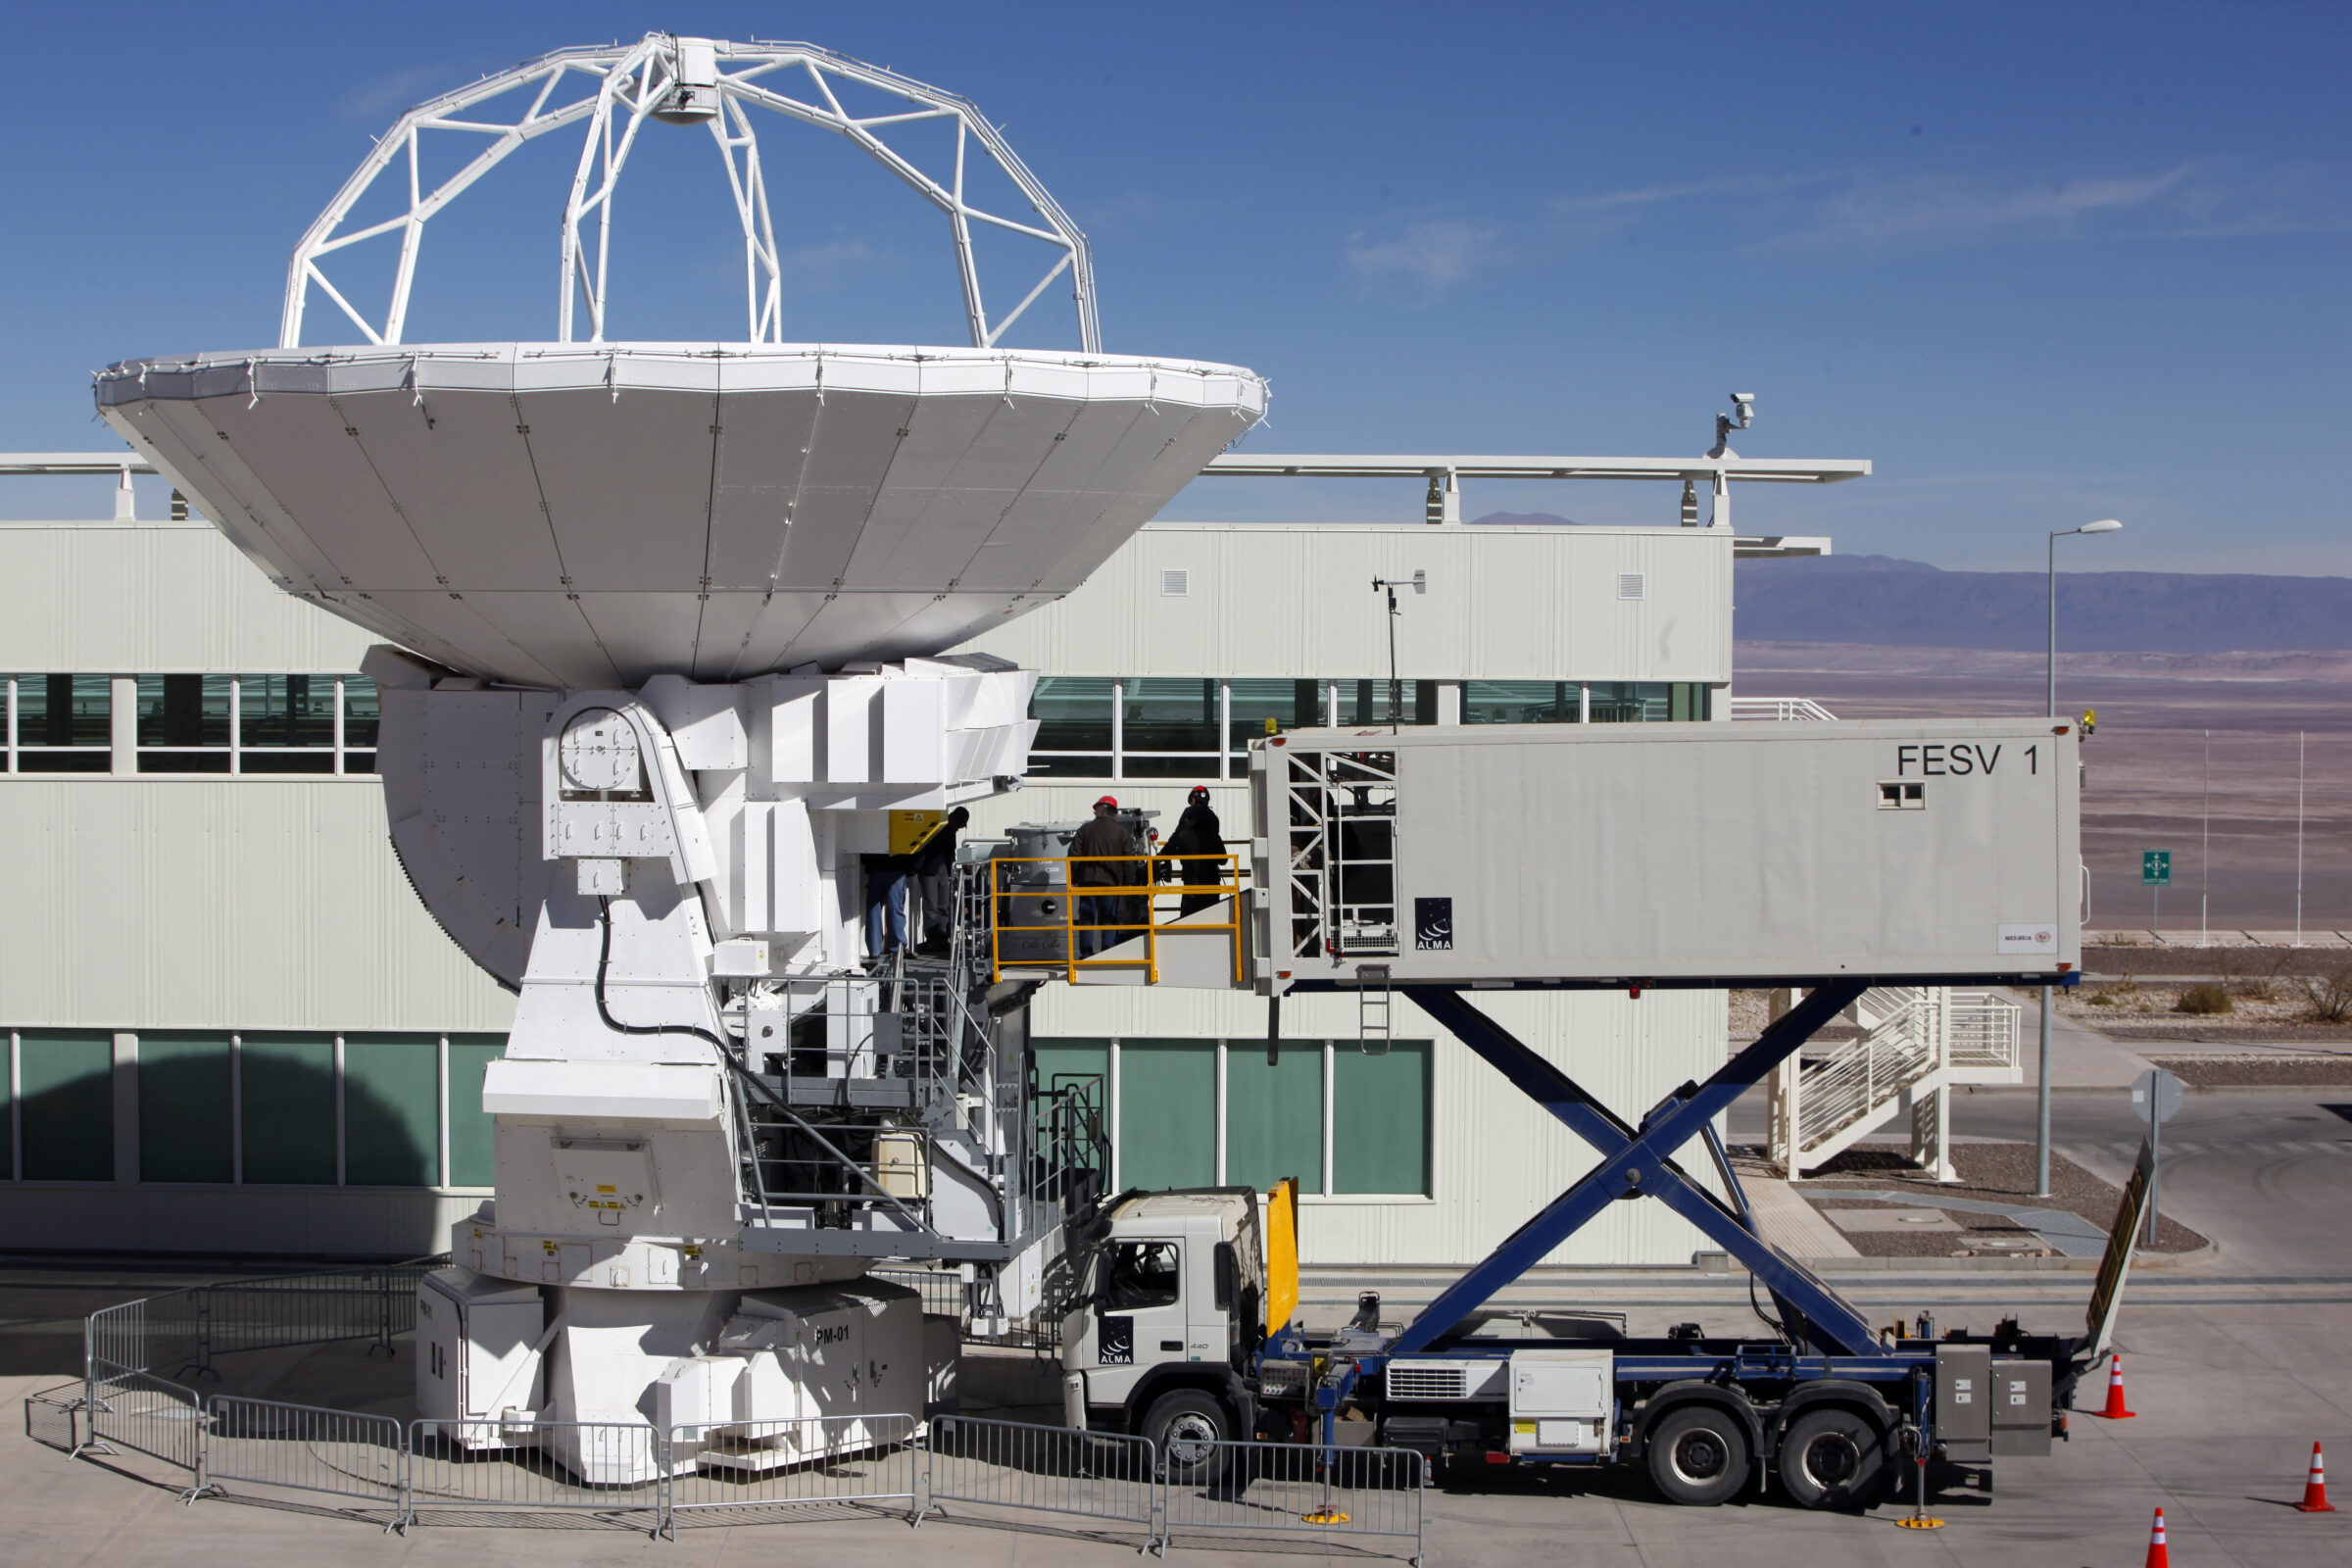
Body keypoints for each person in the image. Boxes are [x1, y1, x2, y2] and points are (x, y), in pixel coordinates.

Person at [1068, 795, 1135, 958]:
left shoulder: (1085, 829)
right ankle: (1108, 951)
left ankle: (1085, 952)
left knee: (1086, 918)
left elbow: (1073, 855)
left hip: (1087, 882)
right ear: (1113, 812)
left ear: (1098, 810)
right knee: (1109, 918)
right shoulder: (1121, 832)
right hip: (1110, 883)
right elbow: (1129, 860)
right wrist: (1129, 882)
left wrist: (1074, 877)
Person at [911, 806, 969, 955]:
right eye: (960, 825)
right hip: (930, 870)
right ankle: (933, 938)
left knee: (944, 904)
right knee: (931, 906)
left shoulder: (949, 830)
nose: (959, 829)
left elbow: (950, 853)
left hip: (942, 870)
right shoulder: (939, 826)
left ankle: (941, 937)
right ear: (955, 819)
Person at [1165, 785, 1226, 917]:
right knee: (1212, 921)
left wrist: (1161, 856)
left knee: (1188, 923)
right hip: (1211, 882)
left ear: (1192, 799)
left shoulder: (1188, 814)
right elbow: (1223, 859)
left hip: (1192, 882)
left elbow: (1176, 838)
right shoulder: (1213, 819)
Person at [861, 851, 910, 958]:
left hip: (876, 867)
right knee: (895, 911)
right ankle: (897, 950)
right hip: (897, 868)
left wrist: (868, 863)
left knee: (874, 912)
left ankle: (874, 952)